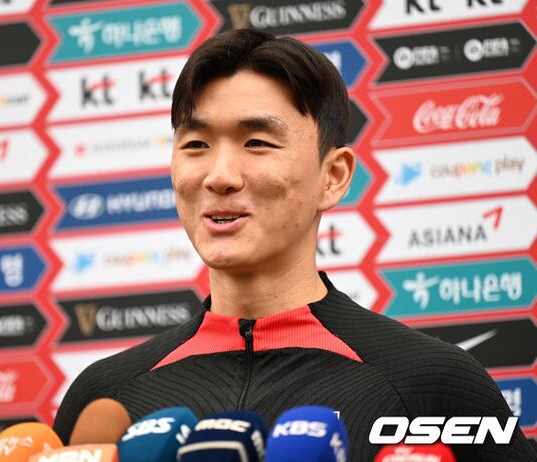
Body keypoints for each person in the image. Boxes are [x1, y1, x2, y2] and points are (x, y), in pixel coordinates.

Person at [53, 29, 534, 460]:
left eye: (257, 143)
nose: (220, 176)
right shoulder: (105, 396)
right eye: (196, 145)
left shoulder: (432, 382)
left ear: (334, 176)